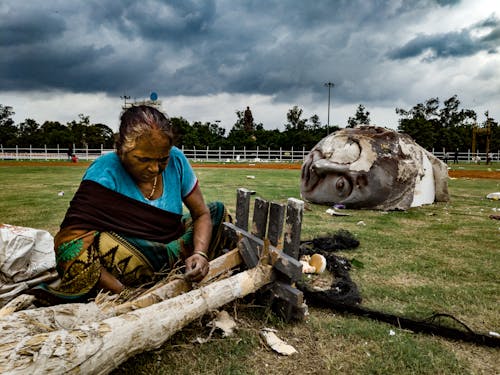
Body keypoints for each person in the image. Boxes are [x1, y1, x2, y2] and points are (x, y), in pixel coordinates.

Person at [35, 105, 233, 303]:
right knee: (100, 245)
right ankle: (130, 287)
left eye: (162, 160)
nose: (155, 168)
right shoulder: (104, 171)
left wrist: (200, 253)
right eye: (143, 159)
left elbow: (202, 214)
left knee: (218, 213)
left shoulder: (177, 160)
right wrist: (125, 294)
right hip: (129, 260)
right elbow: (70, 240)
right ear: (122, 149)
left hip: (172, 249)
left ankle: (184, 269)